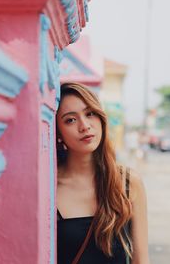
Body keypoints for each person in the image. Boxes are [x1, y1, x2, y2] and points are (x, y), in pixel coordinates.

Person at [56, 82, 150, 264]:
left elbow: (141, 260)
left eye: (90, 114)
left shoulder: (128, 183)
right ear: (58, 133)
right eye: (70, 120)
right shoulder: (49, 188)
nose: (84, 126)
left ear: (100, 118)